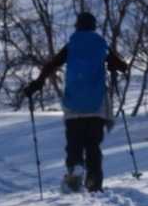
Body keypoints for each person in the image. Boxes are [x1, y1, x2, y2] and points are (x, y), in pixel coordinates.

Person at [22, 11, 128, 192]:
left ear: (77, 26)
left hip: (74, 104)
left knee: (74, 143)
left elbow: (50, 65)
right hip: (96, 105)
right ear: (93, 26)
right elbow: (122, 66)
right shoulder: (101, 44)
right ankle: (94, 181)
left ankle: (75, 169)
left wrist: (37, 84)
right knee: (93, 145)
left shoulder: (71, 45)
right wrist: (111, 65)